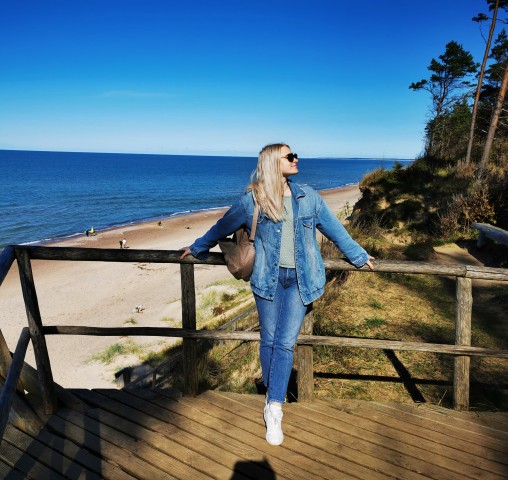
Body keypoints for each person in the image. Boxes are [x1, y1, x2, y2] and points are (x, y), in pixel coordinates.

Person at [180, 143, 374, 446]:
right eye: (290, 156)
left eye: (295, 155)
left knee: (284, 343)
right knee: (269, 340)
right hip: (266, 279)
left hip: (300, 280)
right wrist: (197, 247)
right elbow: (222, 227)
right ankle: (274, 395)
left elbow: (335, 229)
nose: (296, 159)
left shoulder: (308, 197)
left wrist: (359, 256)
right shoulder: (252, 200)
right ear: (273, 163)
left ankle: (274, 408)